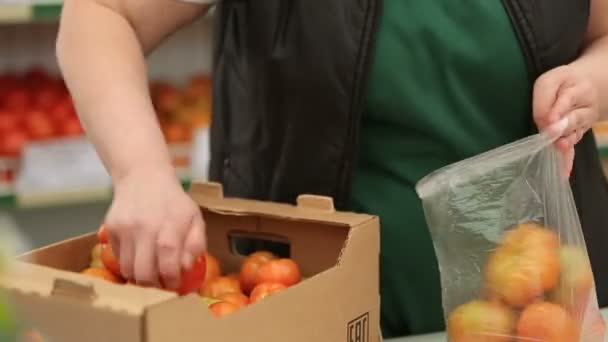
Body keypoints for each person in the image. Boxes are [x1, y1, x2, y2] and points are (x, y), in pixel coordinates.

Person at [56, 0, 608, 337]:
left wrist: (591, 82)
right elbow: (105, 13)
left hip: (540, 310)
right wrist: (141, 175)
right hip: (310, 301)